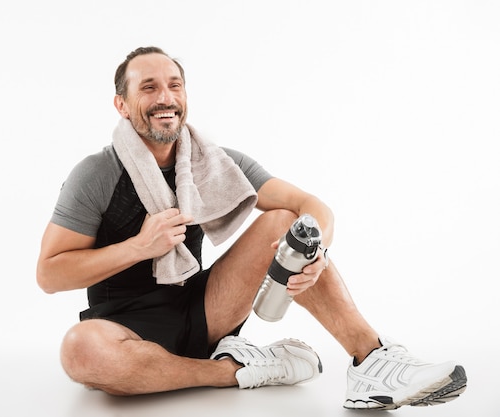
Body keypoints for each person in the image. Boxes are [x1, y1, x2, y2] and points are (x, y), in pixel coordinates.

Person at [36, 46, 467, 410]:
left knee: (288, 225)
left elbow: (310, 207)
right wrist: (138, 247)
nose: (165, 97)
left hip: (202, 311)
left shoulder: (215, 163)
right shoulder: (96, 174)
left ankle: (371, 362)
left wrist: (317, 254)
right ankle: (237, 370)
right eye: (148, 87)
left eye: (174, 85)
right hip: (121, 327)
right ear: (122, 105)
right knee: (79, 350)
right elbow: (50, 274)